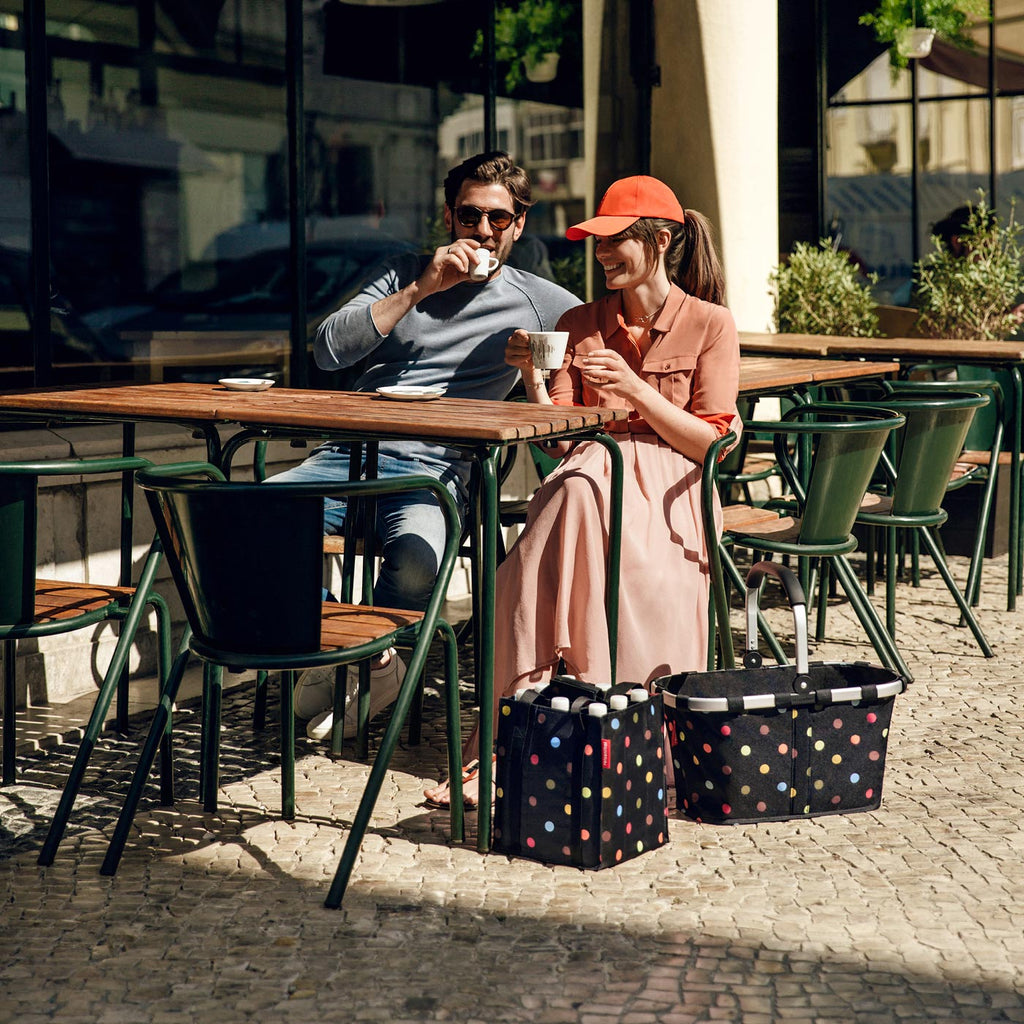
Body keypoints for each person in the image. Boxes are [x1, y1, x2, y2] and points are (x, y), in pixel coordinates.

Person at [424, 174, 741, 807]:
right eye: (597, 244)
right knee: (577, 483)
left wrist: (635, 392)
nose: (601, 256)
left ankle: (538, 740)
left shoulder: (710, 324)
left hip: (671, 487)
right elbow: (561, 441)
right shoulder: (579, 322)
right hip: (587, 479)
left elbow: (712, 445)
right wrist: (537, 384)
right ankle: (546, 739)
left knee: (538, 552)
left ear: (659, 240)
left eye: (615, 241)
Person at [274, 151, 581, 741]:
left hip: (437, 468)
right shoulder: (402, 273)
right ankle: (342, 653)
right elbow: (327, 351)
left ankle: (378, 658)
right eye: (470, 216)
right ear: (450, 216)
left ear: (519, 224)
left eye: (498, 218)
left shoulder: (542, 300)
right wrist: (421, 287)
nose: (482, 231)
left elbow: (608, 338)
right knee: (255, 517)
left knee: (417, 558)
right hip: (348, 453)